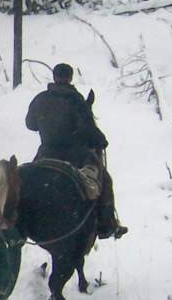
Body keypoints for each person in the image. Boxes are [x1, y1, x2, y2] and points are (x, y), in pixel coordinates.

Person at [25, 63, 128, 239]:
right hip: (74, 154)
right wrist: (100, 140)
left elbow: (30, 124)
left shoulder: (40, 99)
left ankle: (22, 223)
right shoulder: (76, 100)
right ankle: (107, 224)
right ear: (70, 78)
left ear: (54, 77)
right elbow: (86, 128)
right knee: (105, 180)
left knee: (27, 182)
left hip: (46, 152)